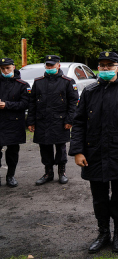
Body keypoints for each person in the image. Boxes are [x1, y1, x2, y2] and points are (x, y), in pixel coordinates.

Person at [69, 51, 118, 254]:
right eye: (102, 65)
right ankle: (103, 233)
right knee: (99, 198)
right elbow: (79, 122)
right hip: (93, 153)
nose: (105, 69)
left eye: (109, 65)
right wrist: (77, 151)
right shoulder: (89, 91)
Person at [27, 55, 78, 186]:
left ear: (58, 65)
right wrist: (31, 122)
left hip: (60, 121)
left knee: (60, 148)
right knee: (44, 148)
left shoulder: (67, 81)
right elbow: (32, 103)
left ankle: (62, 172)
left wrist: (69, 120)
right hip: (42, 121)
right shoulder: (38, 82)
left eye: (52, 65)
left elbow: (73, 103)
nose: (49, 67)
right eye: (47, 65)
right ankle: (48, 173)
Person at [0, 57, 30, 188]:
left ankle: (10, 176)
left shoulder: (22, 85)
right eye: (2, 68)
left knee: (12, 152)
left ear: (13, 67)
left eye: (7, 68)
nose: (5, 71)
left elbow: (25, 104)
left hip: (14, 123)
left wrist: (7, 105)